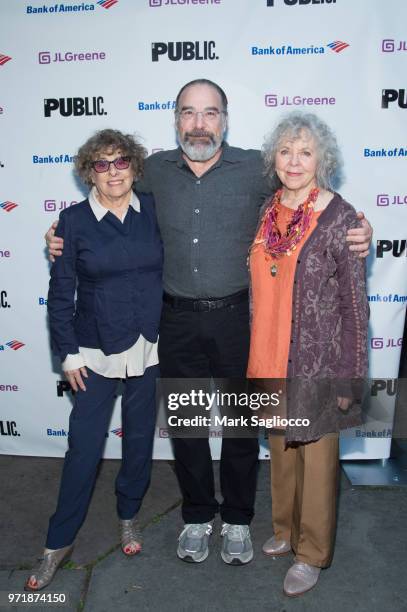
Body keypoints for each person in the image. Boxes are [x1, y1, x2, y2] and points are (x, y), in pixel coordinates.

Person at [45, 79, 372, 567]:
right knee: (187, 426)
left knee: (242, 426)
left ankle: (238, 518)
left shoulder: (256, 170)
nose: (199, 124)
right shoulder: (151, 170)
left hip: (240, 318)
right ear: (175, 118)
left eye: (210, 113)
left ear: (225, 118)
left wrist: (360, 229)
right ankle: (198, 515)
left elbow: (311, 198)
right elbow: (106, 204)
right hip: (173, 321)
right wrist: (60, 235)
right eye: (189, 113)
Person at [25, 129, 163, 591]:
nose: (113, 172)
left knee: (139, 441)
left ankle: (128, 514)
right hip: (94, 352)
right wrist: (66, 354)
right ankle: (56, 544)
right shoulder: (72, 222)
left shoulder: (154, 212)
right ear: (89, 171)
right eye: (101, 164)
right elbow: (60, 295)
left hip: (148, 346)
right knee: (84, 450)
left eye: (121, 161)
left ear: (134, 165)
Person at [247, 111, 369, 596]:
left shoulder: (340, 216)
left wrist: (349, 378)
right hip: (269, 353)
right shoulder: (268, 207)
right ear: (273, 158)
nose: (294, 162)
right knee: (281, 450)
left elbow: (355, 307)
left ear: (323, 160)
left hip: (319, 360)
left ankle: (312, 551)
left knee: (317, 457)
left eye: (305, 152)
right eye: (285, 151)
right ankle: (285, 531)